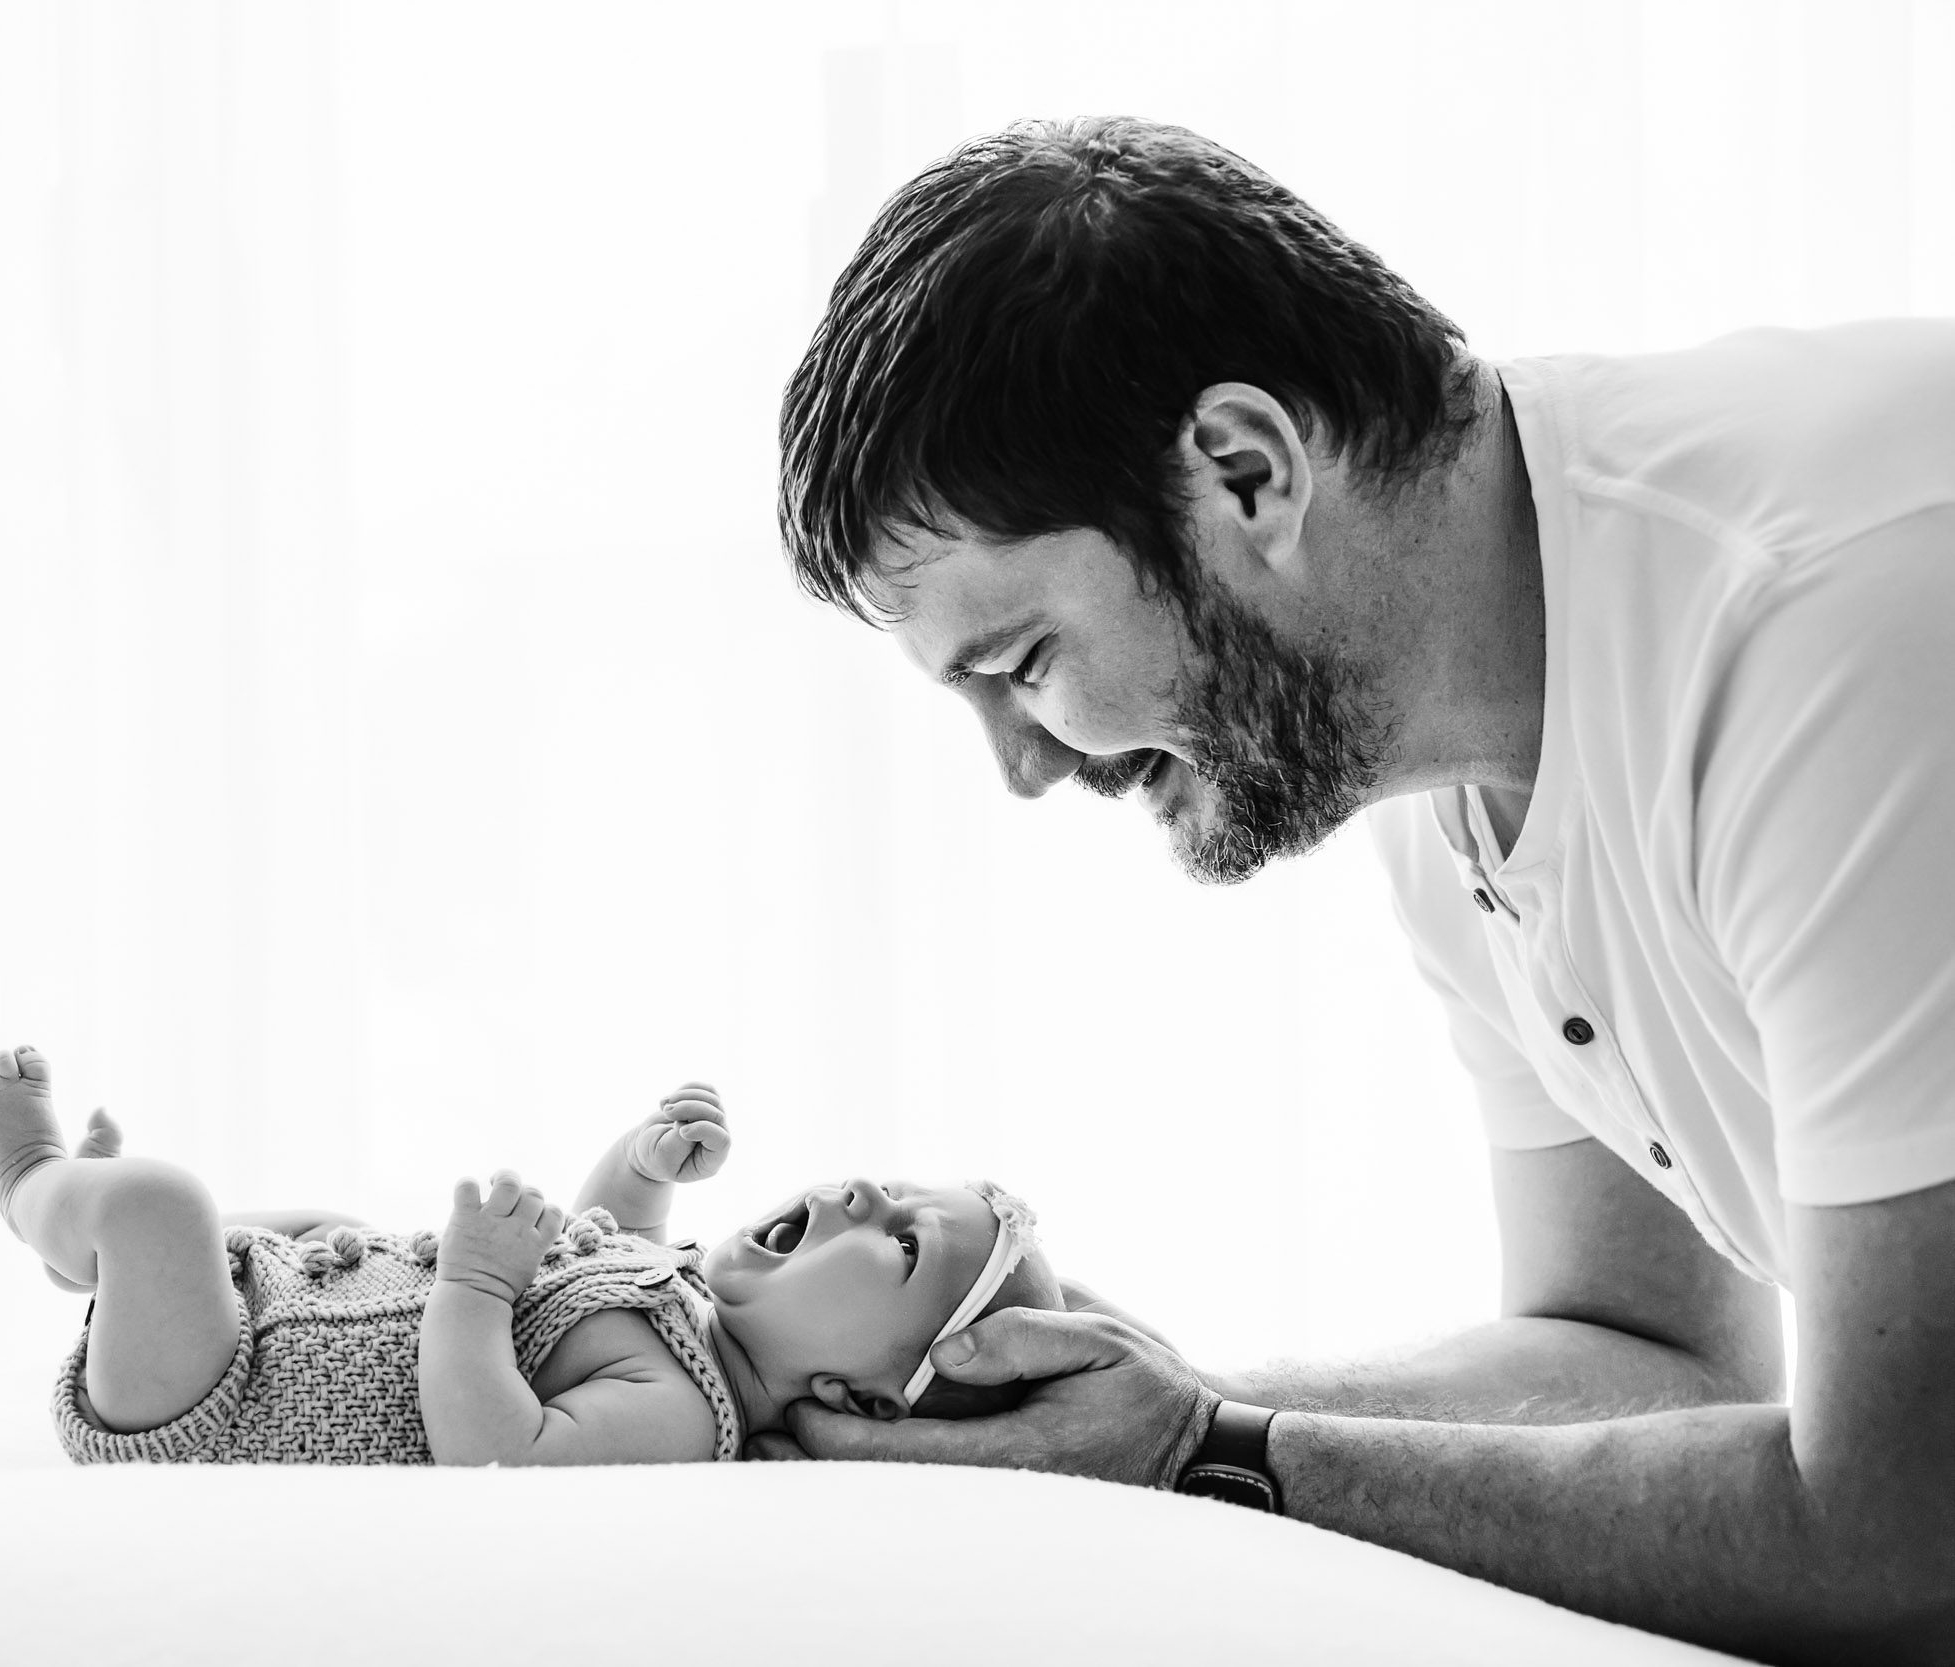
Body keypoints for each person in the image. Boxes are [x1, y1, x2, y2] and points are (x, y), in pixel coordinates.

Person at [764, 115, 1955, 1663]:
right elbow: (1640, 1352)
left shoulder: (1836, 619)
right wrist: (1132, 1394)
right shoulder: (1432, 742)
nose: (1027, 767)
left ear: (1244, 471)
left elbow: (1907, 1518)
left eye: (1024, 663)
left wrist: (1211, 1455)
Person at [0, 1044, 1071, 1465]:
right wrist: (646, 1161)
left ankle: (41, 1187)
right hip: (267, 1308)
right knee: (301, 1220)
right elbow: (604, 1232)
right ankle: (101, 1265)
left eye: (900, 1239)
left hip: (211, 1401)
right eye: (894, 1182)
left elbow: (499, 1448)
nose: (864, 1192)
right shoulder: (677, 1287)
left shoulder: (685, 1413)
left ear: (860, 1398)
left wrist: (479, 1285)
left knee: (163, 1203)